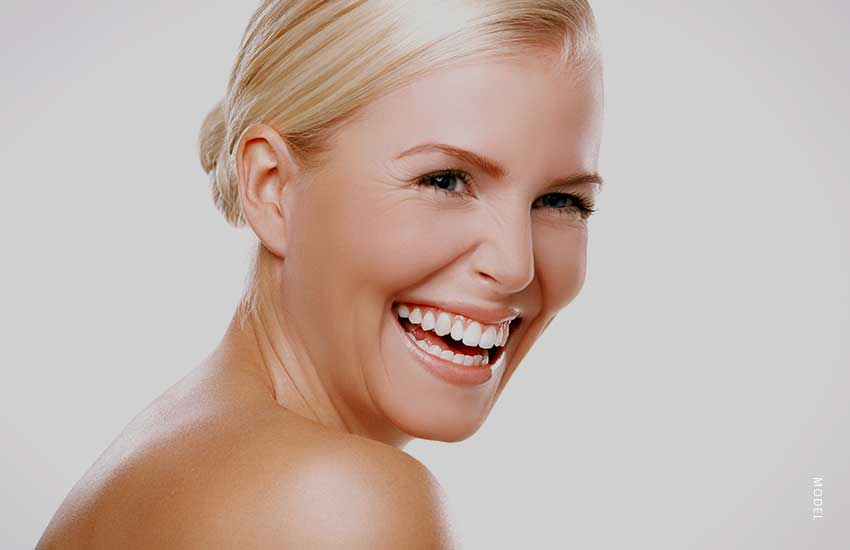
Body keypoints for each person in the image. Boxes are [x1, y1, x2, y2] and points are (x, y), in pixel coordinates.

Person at [37, 0, 604, 547]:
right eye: (445, 181)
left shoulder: (169, 451)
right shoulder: (339, 506)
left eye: (560, 201)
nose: (514, 266)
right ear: (271, 187)